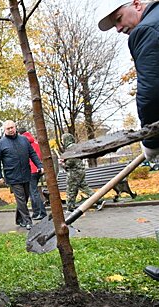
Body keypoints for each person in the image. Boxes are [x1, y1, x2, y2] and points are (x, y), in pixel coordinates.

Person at [98, 0, 159, 282]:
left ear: (136, 3)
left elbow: (152, 88)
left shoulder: (145, 30)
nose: (119, 29)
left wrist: (151, 136)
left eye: (119, 19)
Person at [0, 120, 44, 230]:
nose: (11, 130)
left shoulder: (24, 140)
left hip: (26, 173)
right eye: (8, 128)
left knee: (25, 197)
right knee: (20, 198)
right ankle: (28, 221)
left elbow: (32, 154)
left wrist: (40, 165)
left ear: (15, 127)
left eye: (12, 127)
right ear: (4, 130)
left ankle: (19, 218)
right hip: (12, 176)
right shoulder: (1, 143)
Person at [60, 133, 105, 212]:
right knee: (85, 188)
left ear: (66, 140)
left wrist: (63, 163)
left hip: (73, 173)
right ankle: (99, 200)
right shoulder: (76, 147)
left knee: (71, 190)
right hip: (80, 171)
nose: (61, 141)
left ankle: (70, 208)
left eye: (62, 140)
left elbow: (70, 162)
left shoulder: (70, 149)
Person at [18, 128, 47, 220]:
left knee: (33, 192)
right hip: (38, 169)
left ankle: (41, 212)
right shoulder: (35, 142)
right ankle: (36, 212)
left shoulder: (23, 142)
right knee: (32, 192)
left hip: (31, 170)